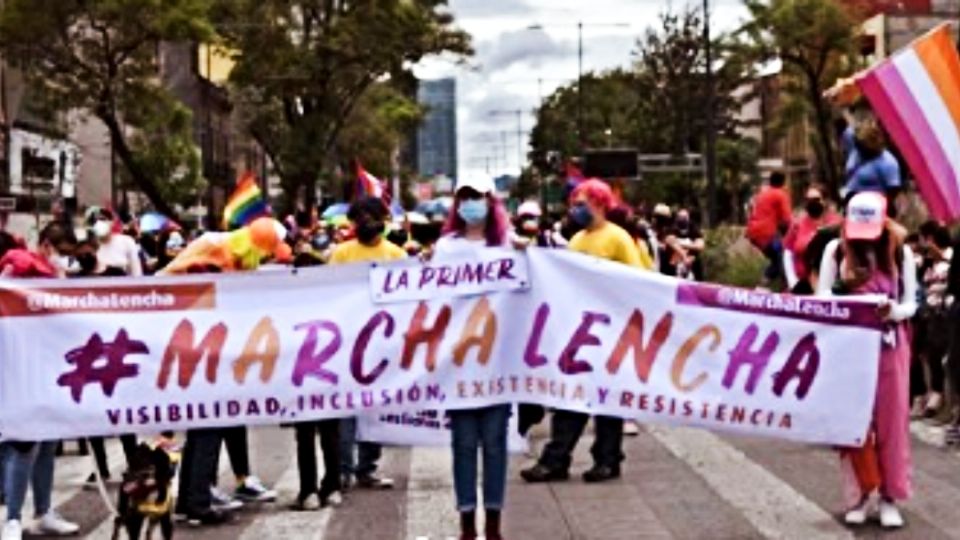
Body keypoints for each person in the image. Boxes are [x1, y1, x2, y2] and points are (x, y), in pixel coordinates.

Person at [521, 179, 643, 485]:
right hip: (580, 331)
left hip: (611, 329)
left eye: (581, 203)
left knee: (606, 399)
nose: (575, 209)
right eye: (574, 203)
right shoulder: (576, 240)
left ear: (601, 203)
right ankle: (559, 460)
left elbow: (640, 280)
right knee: (572, 396)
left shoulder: (618, 239)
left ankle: (603, 459)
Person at [817, 192, 916, 529]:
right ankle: (861, 493)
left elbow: (911, 302)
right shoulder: (835, 250)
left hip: (889, 344)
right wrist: (848, 288)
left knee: (892, 422)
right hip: (849, 346)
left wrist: (893, 311)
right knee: (853, 422)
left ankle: (890, 495)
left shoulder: (900, 251)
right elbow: (823, 297)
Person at [433, 175, 512, 540]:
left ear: (489, 201)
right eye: (463, 197)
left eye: (476, 197)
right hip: (458, 364)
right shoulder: (445, 248)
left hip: (497, 363)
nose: (470, 204)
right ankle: (467, 521)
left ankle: (493, 522)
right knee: (463, 445)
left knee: (495, 445)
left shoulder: (509, 247)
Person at [2, 223, 81, 540]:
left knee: (48, 442)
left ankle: (44, 511)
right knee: (24, 443)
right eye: (63, 253)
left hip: (51, 366)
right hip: (21, 367)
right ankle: (12, 519)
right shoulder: (18, 266)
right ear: (46, 245)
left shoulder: (56, 276)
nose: (66, 260)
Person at [328, 196, 406, 490]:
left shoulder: (397, 256)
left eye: (369, 219)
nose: (364, 225)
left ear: (382, 221)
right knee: (347, 411)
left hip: (381, 346)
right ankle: (344, 470)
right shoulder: (341, 254)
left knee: (374, 410)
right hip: (347, 343)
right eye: (358, 220)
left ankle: (367, 468)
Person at [289, 253, 344, 511]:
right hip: (330, 378)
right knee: (331, 433)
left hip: (300, 379)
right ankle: (333, 487)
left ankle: (308, 491)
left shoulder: (288, 305)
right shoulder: (335, 302)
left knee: (306, 435)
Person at [915, 223, 953, 418]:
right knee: (930, 354)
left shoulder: (951, 256)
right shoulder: (928, 262)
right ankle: (934, 395)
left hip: (947, 312)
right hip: (930, 312)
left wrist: (941, 256)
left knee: (947, 356)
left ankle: (947, 402)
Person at [783, 184, 842, 294]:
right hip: (800, 286)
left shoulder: (837, 223)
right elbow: (788, 252)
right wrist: (792, 281)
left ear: (825, 200)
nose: (812, 203)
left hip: (829, 287)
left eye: (816, 199)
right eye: (808, 200)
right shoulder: (798, 223)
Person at [746, 172, 792, 286]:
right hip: (767, 233)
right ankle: (783, 287)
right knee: (783, 258)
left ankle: (764, 285)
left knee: (778, 259)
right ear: (783, 182)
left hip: (753, 232)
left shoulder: (762, 194)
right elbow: (787, 219)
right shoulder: (780, 194)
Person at [88, 208, 143, 277]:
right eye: (94, 221)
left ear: (112, 222)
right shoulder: (89, 248)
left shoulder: (126, 242)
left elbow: (136, 271)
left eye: (103, 219)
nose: (99, 223)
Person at [673, 208, 705, 280]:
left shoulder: (693, 229)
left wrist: (682, 245)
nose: (682, 220)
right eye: (680, 217)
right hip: (676, 266)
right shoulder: (673, 229)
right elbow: (669, 241)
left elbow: (700, 245)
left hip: (693, 268)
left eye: (684, 217)